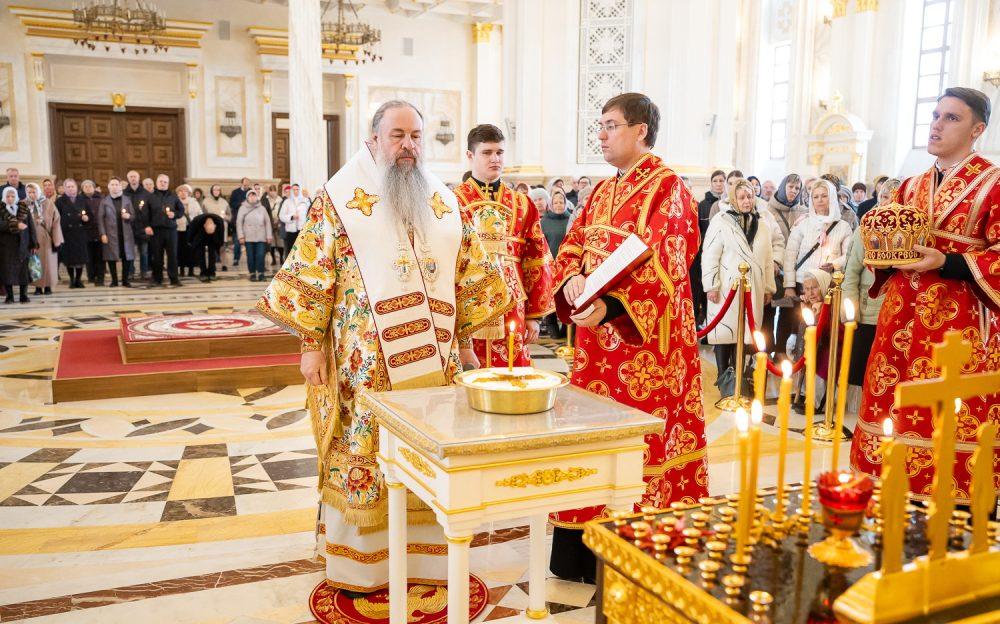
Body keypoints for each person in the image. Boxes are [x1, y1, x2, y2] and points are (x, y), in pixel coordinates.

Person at [256, 100, 509, 593]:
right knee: (365, 453)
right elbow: (312, 271)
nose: (409, 145)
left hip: (434, 368)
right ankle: (362, 565)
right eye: (397, 135)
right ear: (373, 140)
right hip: (364, 370)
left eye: (416, 135)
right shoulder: (338, 199)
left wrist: (468, 345)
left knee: (427, 454)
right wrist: (311, 344)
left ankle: (428, 560)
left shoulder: (441, 199)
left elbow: (468, 273)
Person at [550, 93, 707, 581]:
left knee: (639, 442)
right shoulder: (599, 190)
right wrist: (572, 278)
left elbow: (668, 265)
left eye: (610, 125)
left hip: (646, 346)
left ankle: (638, 549)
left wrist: (612, 305)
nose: (600, 134)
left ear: (641, 131)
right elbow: (573, 242)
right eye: (599, 126)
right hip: (596, 344)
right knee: (593, 438)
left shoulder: (670, 189)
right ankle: (581, 554)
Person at [850, 87, 1000, 503]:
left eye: (951, 118)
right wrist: (880, 253)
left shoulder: (994, 184)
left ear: (978, 130)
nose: (936, 124)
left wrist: (947, 261)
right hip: (899, 321)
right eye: (935, 115)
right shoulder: (910, 185)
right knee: (893, 416)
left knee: (946, 423)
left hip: (959, 327)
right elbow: (884, 255)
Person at [452, 124, 554, 367]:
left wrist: (534, 316)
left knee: (511, 371)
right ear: (470, 156)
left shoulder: (523, 203)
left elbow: (536, 258)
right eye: (487, 152)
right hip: (467, 305)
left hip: (513, 304)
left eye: (499, 152)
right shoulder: (453, 201)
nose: (495, 159)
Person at [702, 178, 776, 392]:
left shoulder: (761, 223)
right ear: (733, 198)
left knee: (746, 334)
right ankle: (725, 377)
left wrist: (769, 287)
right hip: (727, 285)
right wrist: (711, 286)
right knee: (726, 333)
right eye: (742, 197)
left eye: (750, 196)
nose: (747, 201)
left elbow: (768, 258)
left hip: (754, 286)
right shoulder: (721, 220)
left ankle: (741, 377)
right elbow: (710, 255)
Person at [841, 179, 898, 416]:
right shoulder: (866, 227)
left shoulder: (908, 228)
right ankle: (860, 411)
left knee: (889, 364)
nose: (890, 203)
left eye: (895, 198)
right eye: (885, 197)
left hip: (895, 307)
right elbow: (852, 271)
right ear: (878, 198)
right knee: (863, 364)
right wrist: (850, 307)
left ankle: (885, 411)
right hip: (867, 308)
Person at [782, 179, 852, 305]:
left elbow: (849, 255)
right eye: (816, 197)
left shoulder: (843, 226)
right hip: (802, 284)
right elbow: (790, 256)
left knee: (824, 322)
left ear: (831, 198)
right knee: (798, 322)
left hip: (828, 284)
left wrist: (834, 264)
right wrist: (789, 286)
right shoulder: (802, 224)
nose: (820, 200)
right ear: (811, 200)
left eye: (824, 196)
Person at [766, 174, 807, 354]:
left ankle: (781, 352)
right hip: (775, 269)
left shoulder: (804, 211)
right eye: (790, 187)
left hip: (795, 269)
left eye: (797, 188)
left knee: (788, 312)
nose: (793, 191)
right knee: (770, 312)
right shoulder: (769, 210)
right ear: (783, 187)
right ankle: (766, 351)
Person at [694, 169, 726, 326]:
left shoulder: (729, 203)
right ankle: (706, 323)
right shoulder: (703, 205)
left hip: (725, 255)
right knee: (707, 289)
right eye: (716, 181)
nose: (719, 184)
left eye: (721, 181)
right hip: (706, 253)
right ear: (711, 183)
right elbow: (699, 230)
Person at [146, 174, 185, 287]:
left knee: (172, 255)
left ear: (168, 184)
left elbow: (181, 210)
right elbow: (145, 213)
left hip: (171, 230)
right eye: (161, 181)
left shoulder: (173, 196)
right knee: (156, 256)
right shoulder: (150, 196)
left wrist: (175, 214)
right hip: (156, 230)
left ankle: (174, 278)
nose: (163, 183)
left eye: (165, 182)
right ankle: (157, 278)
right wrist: (147, 226)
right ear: (156, 182)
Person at [97, 177, 136, 287]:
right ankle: (114, 280)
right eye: (112, 184)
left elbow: (133, 216)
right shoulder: (104, 201)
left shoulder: (127, 200)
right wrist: (103, 233)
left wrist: (129, 216)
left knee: (126, 256)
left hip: (126, 233)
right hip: (110, 233)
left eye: (116, 184)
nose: (114, 187)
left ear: (120, 186)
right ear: (109, 186)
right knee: (111, 256)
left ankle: (125, 280)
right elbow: (100, 219)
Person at [1, 187, 37, 303]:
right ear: (4, 197)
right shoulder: (0, 209)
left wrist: (34, 244)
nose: (10, 198)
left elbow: (31, 227)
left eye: (12, 196)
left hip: (23, 244)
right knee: (7, 271)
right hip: (6, 246)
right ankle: (10, 296)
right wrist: (15, 225)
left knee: (23, 271)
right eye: (8, 196)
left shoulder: (23, 208)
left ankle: (23, 295)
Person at [25, 183, 61, 296]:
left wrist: (57, 239)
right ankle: (38, 287)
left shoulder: (48, 203)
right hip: (31, 240)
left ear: (38, 191)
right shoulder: (24, 204)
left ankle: (48, 286)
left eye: (34, 192)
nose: (32, 194)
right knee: (35, 264)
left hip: (47, 239)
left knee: (48, 264)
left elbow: (56, 221)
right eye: (29, 192)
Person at [56, 179, 90, 288]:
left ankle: (78, 280)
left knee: (80, 258)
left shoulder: (83, 199)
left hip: (80, 233)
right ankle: (71, 279)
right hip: (67, 233)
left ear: (76, 187)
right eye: (68, 187)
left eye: (72, 186)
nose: (71, 189)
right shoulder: (60, 201)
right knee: (69, 259)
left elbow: (90, 215)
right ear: (64, 188)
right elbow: (56, 218)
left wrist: (86, 218)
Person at [236, 189, 272, 282]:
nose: (252, 197)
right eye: (250, 196)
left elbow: (267, 222)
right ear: (247, 197)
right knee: (250, 256)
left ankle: (261, 273)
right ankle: (252, 273)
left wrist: (269, 235)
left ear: (256, 197)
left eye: (254, 195)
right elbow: (239, 223)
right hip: (248, 237)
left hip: (261, 236)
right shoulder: (243, 208)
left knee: (260, 255)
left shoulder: (262, 208)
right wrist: (241, 236)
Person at [188, 212, 225, 281]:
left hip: (213, 237)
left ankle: (212, 273)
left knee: (212, 254)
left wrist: (220, 243)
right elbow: (191, 232)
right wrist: (189, 241)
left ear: (215, 226)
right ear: (204, 226)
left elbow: (221, 234)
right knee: (200, 254)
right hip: (201, 236)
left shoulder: (219, 222)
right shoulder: (196, 221)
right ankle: (203, 273)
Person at [81, 180, 104, 285]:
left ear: (94, 187)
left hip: (99, 230)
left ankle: (100, 277)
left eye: (90, 186)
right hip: (86, 232)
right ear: (82, 188)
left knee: (100, 256)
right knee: (89, 256)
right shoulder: (79, 199)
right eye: (85, 186)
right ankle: (91, 276)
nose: (88, 188)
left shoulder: (102, 198)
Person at [201, 184, 230, 271]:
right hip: (211, 227)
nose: (216, 191)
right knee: (212, 247)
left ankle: (224, 265)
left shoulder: (224, 202)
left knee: (222, 247)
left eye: (218, 190)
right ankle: (211, 265)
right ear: (211, 191)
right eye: (214, 190)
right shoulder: (206, 201)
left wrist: (226, 217)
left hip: (222, 227)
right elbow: (202, 214)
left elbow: (230, 215)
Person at [176, 184, 202, 277]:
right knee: (180, 250)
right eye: (181, 191)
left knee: (191, 250)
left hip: (191, 229)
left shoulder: (194, 202)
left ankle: (191, 270)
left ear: (189, 193)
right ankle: (181, 270)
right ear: (178, 193)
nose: (183, 193)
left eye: (185, 191)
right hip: (178, 229)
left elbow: (200, 214)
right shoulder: (175, 202)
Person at [279, 183, 309, 255]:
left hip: (301, 229)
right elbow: (281, 216)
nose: (296, 191)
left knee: (300, 251)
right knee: (290, 251)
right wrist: (291, 217)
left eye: (297, 189)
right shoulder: (287, 202)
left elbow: (309, 213)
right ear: (291, 191)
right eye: (294, 190)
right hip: (291, 230)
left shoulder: (305, 201)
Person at [229, 177, 251, 267]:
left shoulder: (251, 192)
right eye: (244, 184)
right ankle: (236, 259)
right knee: (237, 241)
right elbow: (231, 204)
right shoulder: (235, 192)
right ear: (241, 183)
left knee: (249, 242)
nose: (246, 186)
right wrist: (240, 204)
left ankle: (250, 259)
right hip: (237, 220)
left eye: (247, 184)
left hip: (249, 221)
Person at [262, 184, 283, 266]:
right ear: (269, 192)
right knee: (272, 243)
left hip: (279, 222)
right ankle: (273, 259)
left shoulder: (280, 200)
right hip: (269, 223)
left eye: (274, 191)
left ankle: (281, 258)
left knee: (280, 242)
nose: (273, 193)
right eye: (271, 191)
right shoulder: (266, 200)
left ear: (276, 191)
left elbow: (282, 210)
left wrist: (279, 219)